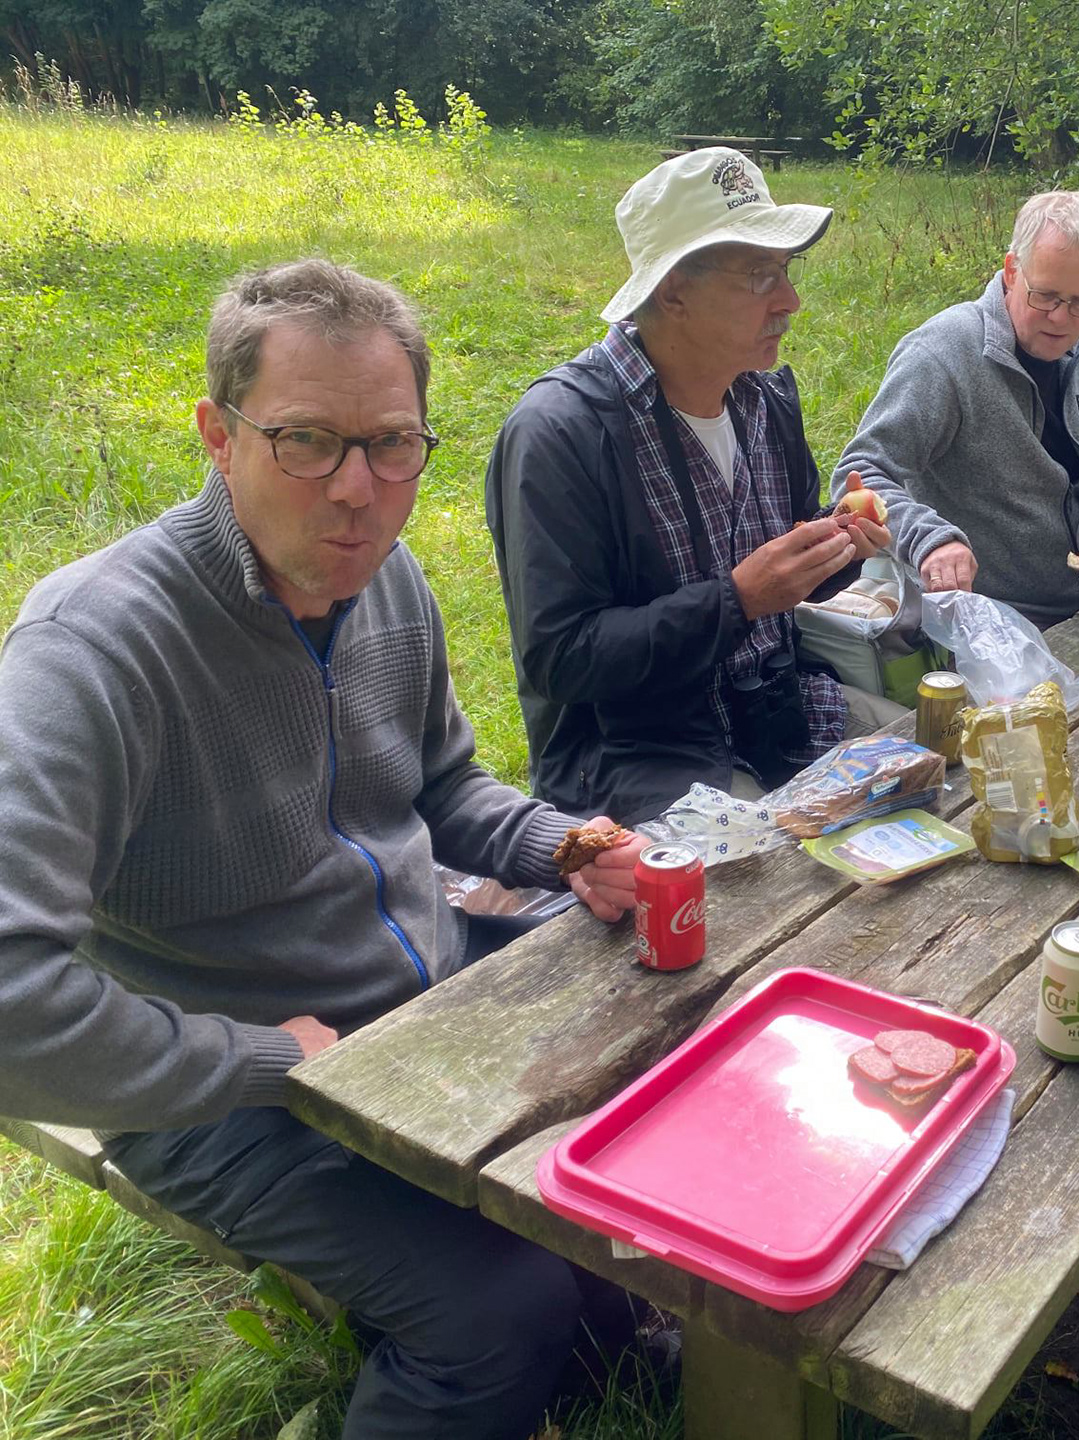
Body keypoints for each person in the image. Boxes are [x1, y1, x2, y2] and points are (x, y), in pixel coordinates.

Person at [0, 259, 653, 1438]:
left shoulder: (389, 581)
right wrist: (252, 1058)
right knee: (499, 1311)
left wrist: (560, 844)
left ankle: (601, 1348)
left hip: (413, 999)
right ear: (218, 434)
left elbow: (442, 779)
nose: (357, 491)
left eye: (392, 444)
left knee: (639, 1112)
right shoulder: (93, 651)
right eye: (307, 440)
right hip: (218, 1089)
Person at [486, 148, 900, 825]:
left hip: (779, 718)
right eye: (761, 275)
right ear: (673, 290)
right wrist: (738, 599)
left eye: (787, 271)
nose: (790, 301)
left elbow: (782, 584)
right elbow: (560, 661)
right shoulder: (560, 433)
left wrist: (836, 548)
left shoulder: (764, 400)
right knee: (782, 890)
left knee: (950, 753)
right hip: (640, 759)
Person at [832, 189, 1079, 628]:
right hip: (989, 623)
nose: (1061, 319)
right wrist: (931, 541)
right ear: (1012, 271)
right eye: (1045, 296)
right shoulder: (943, 354)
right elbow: (858, 474)